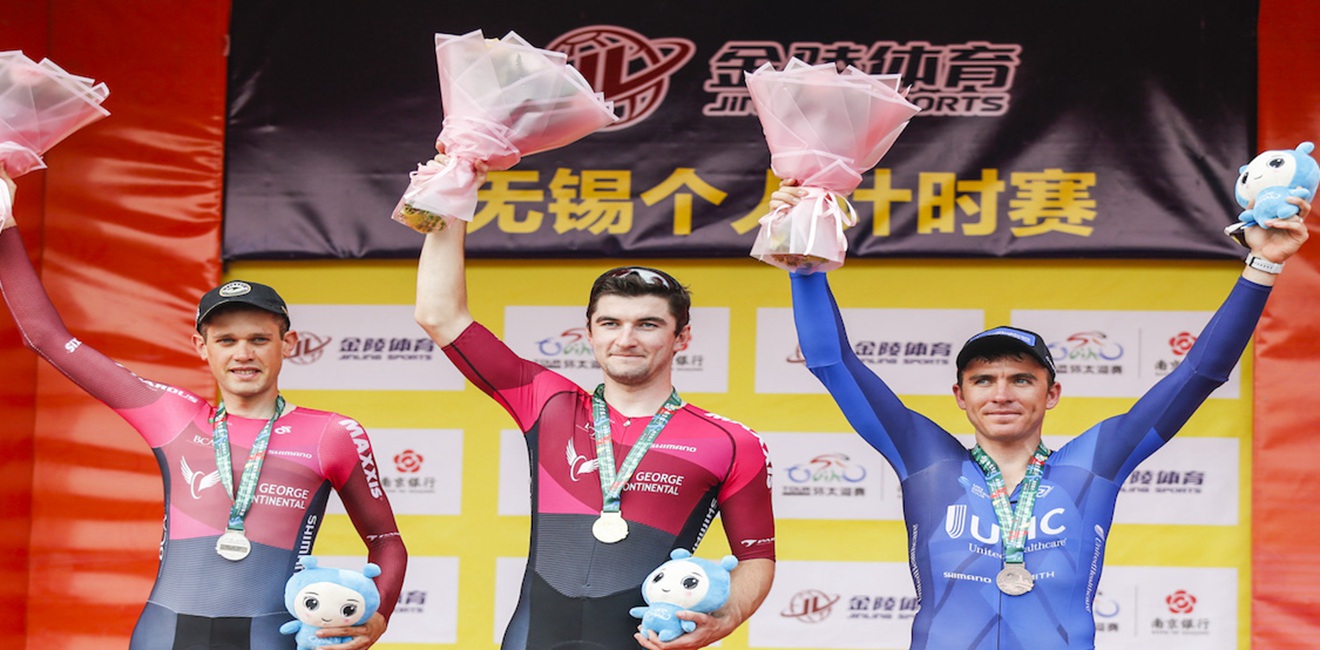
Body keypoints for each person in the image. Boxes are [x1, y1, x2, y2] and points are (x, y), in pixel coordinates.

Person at [772, 179, 1309, 649]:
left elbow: (1199, 374)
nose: (1001, 394)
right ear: (960, 395)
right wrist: (805, 266)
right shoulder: (926, 460)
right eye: (983, 380)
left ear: (1052, 394)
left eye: (1022, 379)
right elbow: (833, 363)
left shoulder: (1093, 464)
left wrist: (1263, 264)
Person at [0, 172, 407, 650]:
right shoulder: (171, 414)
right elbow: (46, 338)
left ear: (288, 344)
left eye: (259, 339)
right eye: (226, 340)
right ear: (202, 347)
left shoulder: (332, 434)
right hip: (164, 633)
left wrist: (380, 613)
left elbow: (386, 541)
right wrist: (5, 224)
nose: (243, 354)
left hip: (268, 635)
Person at [412, 156, 776, 650]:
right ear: (589, 333)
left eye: (647, 324)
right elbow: (439, 314)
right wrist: (455, 191)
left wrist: (727, 617)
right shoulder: (549, 402)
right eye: (610, 323)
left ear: (681, 338)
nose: (626, 339)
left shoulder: (731, 442)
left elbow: (756, 557)